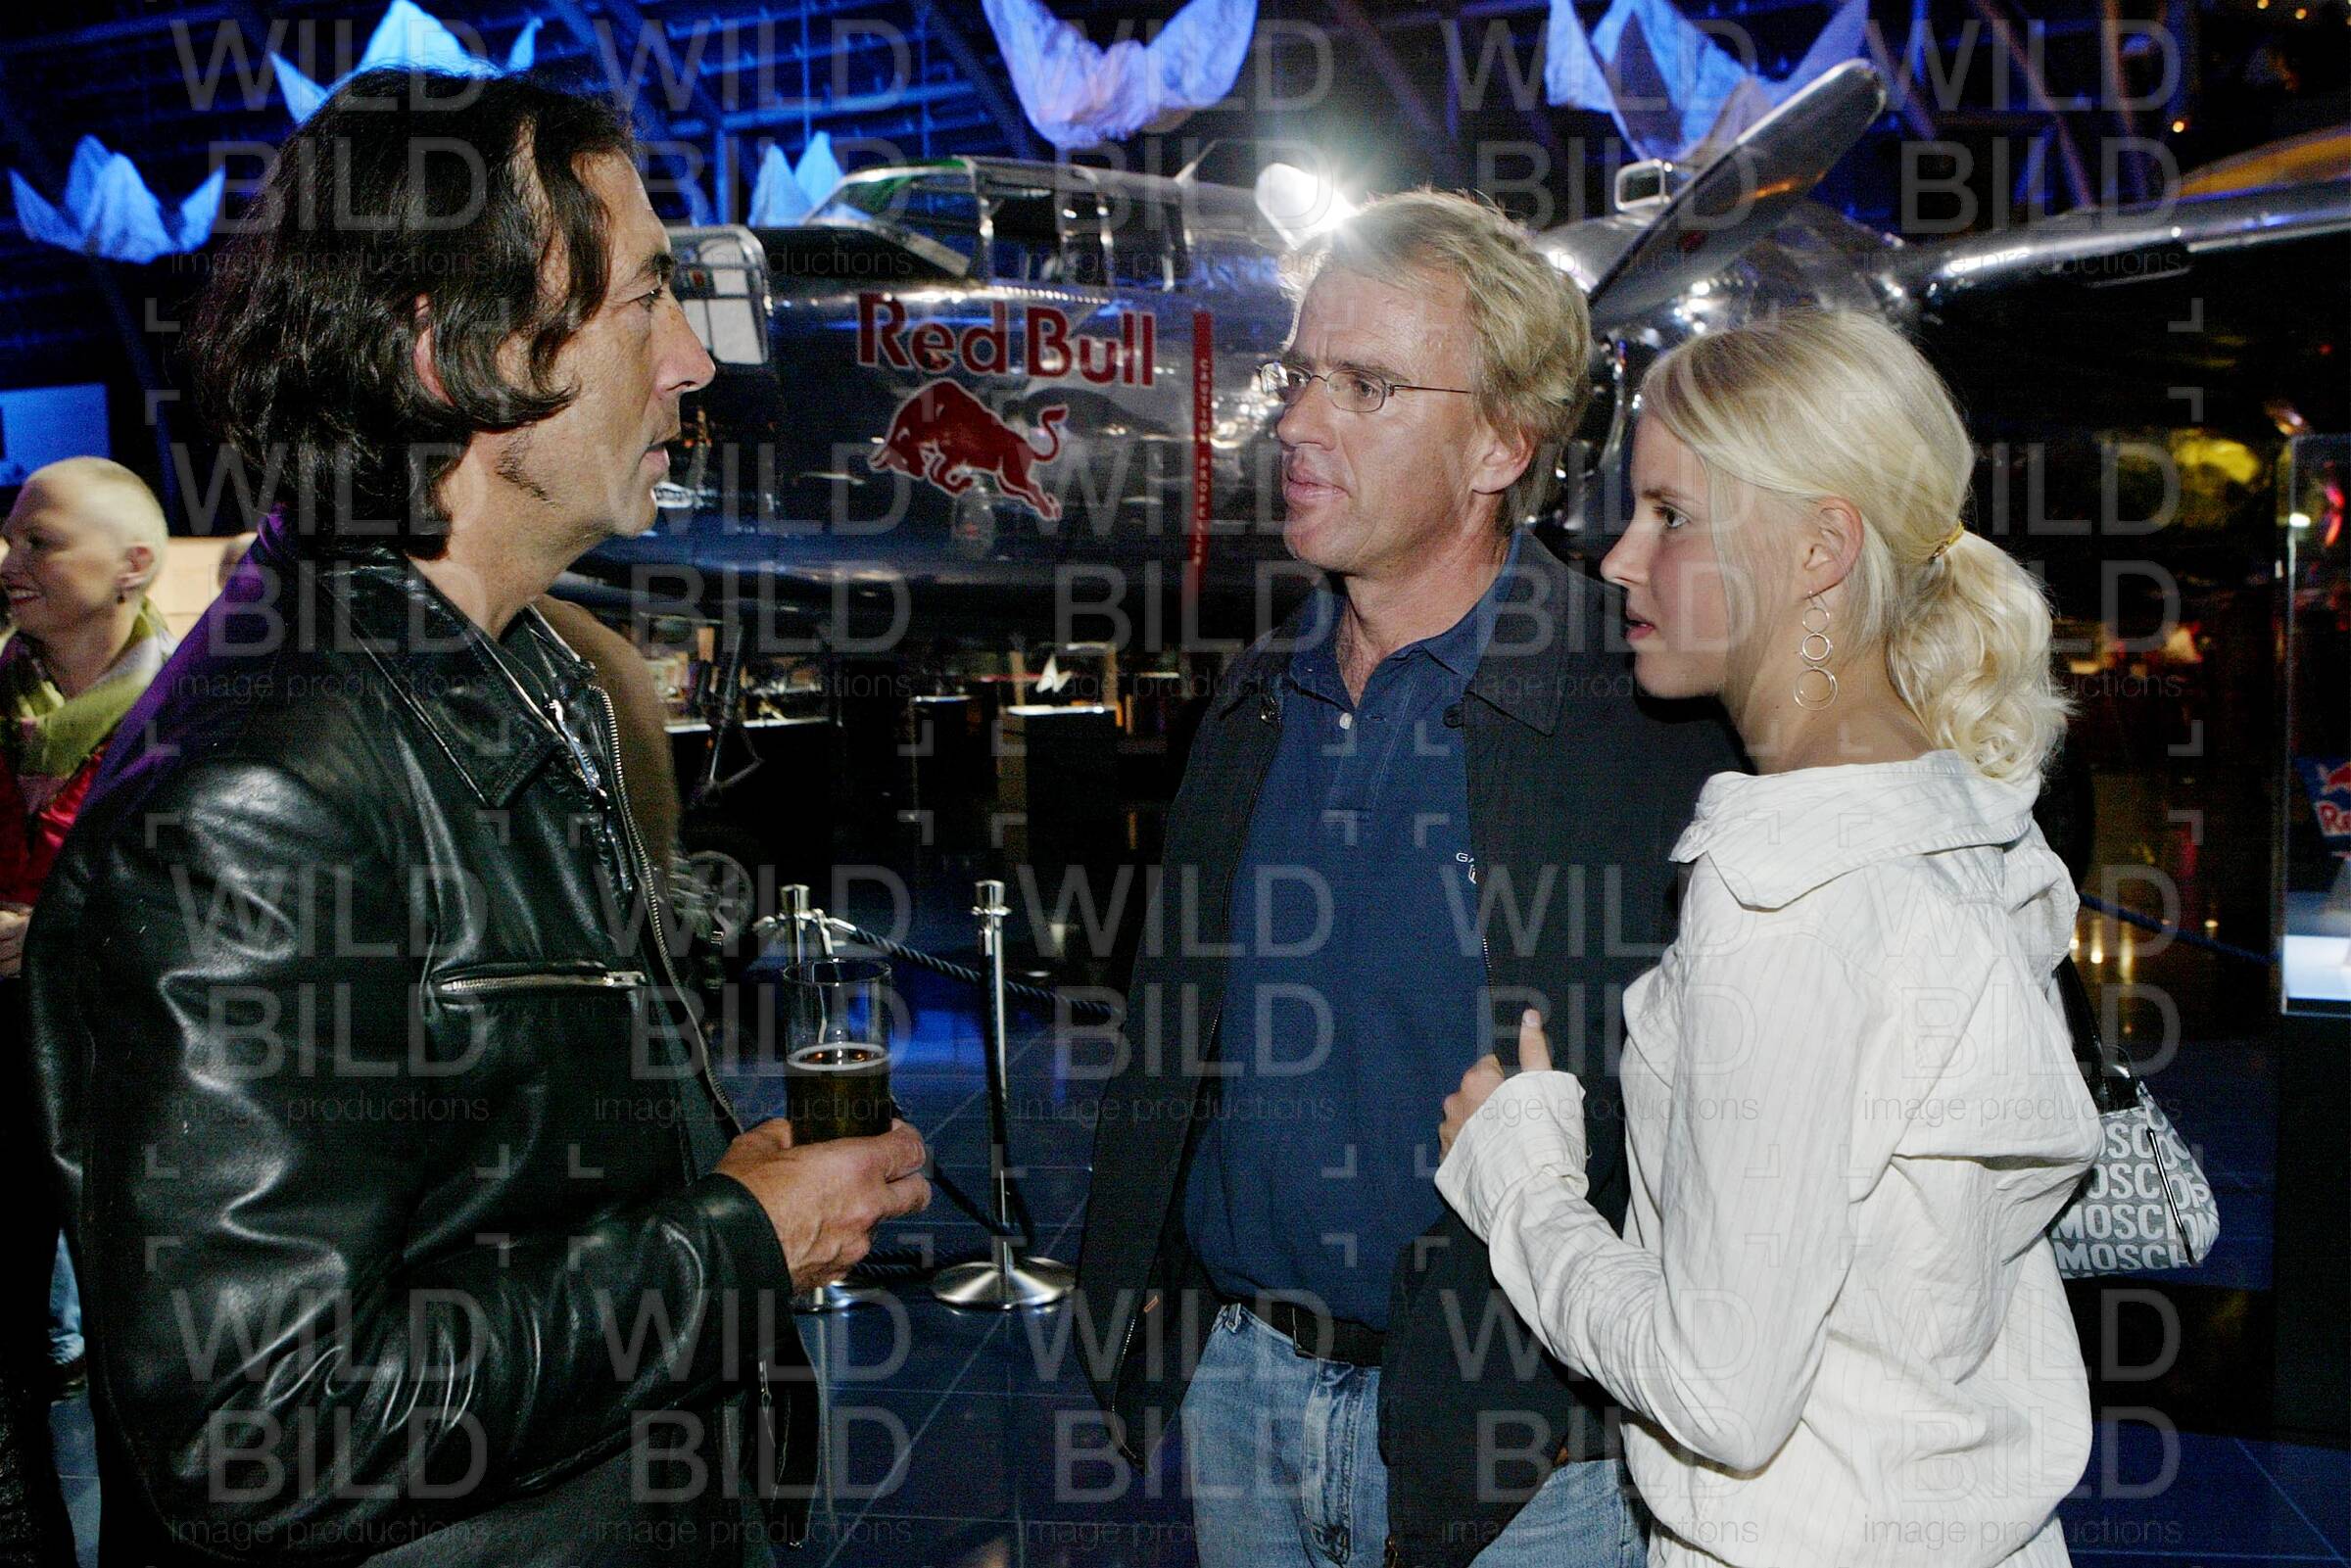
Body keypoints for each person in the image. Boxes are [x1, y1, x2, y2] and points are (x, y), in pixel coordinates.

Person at [24, 71, 930, 1565]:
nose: (694, 359)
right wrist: (731, 1246)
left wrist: (718, 1193)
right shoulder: (258, 801)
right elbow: (266, 1429)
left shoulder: (526, 684)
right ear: (449, 352)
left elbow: (494, 1199)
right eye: (644, 302)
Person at [1072, 191, 1741, 1568]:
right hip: (1243, 1396)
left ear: (1501, 442)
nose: (1297, 423)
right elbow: (1178, 1044)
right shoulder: (1255, 698)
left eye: (1366, 386)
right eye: (1300, 374)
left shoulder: (1642, 711)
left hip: (1527, 1453)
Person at [1435, 310, 2103, 1567]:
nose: (1620, 558)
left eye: (1672, 516)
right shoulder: (1957, 812)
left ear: (1819, 546)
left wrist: (1522, 1179)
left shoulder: (1787, 891)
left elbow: (1721, 1393)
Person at [0, 455, 167, 1565]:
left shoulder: (191, 718)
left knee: (135, 1359)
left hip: (129, 1079)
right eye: (12, 536)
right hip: (6, 1073)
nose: (10, 559)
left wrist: (56, 931)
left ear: (133, 566)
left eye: (41, 540)